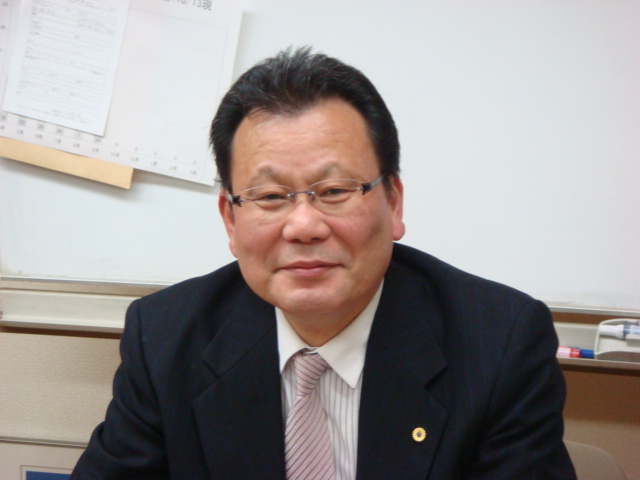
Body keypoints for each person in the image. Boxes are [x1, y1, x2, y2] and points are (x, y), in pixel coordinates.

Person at [71, 47, 576, 479]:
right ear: (230, 219)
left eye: (334, 191)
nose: (303, 226)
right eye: (270, 196)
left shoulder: (499, 343)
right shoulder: (165, 339)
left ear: (393, 203)